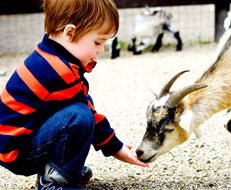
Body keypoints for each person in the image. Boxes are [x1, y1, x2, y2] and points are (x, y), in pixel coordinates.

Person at [0, 0, 148, 189]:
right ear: (70, 33)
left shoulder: (47, 56)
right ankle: (57, 178)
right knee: (79, 115)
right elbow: (88, 113)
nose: (101, 50)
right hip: (18, 153)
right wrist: (115, 148)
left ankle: (60, 168)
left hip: (15, 144)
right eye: (98, 42)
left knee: (79, 106)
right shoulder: (59, 71)